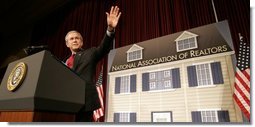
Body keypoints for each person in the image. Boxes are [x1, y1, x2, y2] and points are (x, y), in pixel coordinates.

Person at [64, 6, 121, 122]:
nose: (75, 40)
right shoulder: (64, 61)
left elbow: (104, 47)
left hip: (84, 102)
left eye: (77, 38)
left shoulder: (90, 53)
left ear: (81, 42)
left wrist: (110, 29)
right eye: (71, 39)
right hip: (65, 102)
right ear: (67, 44)